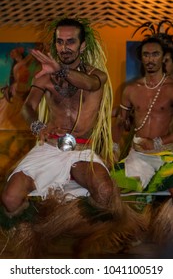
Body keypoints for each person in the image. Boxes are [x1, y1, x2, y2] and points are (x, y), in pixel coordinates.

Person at [1, 17, 119, 218]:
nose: (64, 47)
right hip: (50, 148)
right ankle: (37, 228)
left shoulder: (97, 75)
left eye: (70, 41)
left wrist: (60, 70)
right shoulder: (45, 77)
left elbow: (90, 85)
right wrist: (38, 127)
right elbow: (27, 107)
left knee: (105, 193)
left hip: (83, 152)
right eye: (60, 41)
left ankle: (79, 227)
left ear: (82, 46)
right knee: (10, 199)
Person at [112, 36, 173, 196]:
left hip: (166, 154)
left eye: (155, 54)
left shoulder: (170, 88)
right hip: (138, 155)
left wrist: (157, 143)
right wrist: (114, 149)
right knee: (111, 186)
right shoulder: (131, 89)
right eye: (146, 54)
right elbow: (120, 122)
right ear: (141, 58)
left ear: (164, 57)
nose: (150, 59)